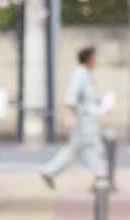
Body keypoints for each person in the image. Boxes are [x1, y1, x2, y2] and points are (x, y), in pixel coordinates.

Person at [40, 45, 110, 188]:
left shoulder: (87, 76)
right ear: (89, 59)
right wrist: (72, 117)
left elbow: (90, 99)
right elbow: (70, 99)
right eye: (94, 58)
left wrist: (102, 105)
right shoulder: (80, 74)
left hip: (88, 122)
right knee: (93, 149)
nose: (96, 61)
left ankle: (49, 172)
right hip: (83, 123)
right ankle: (101, 177)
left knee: (74, 151)